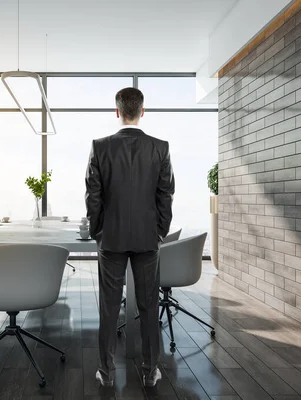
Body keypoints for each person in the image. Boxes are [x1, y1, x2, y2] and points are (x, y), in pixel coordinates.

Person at [85, 87, 175, 388]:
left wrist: (98, 231)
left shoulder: (99, 147)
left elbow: (93, 197)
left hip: (110, 238)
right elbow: (166, 195)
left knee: (109, 307)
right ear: (142, 112)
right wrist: (160, 230)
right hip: (148, 238)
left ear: (117, 111)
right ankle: (151, 372)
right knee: (149, 307)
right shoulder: (160, 147)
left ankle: (106, 373)